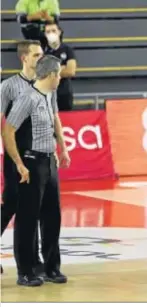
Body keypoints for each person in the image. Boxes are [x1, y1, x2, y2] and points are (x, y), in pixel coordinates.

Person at [2, 55, 71, 286]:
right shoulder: (27, 98)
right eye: (59, 74)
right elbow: (8, 131)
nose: (60, 78)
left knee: (53, 216)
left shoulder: (49, 95)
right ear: (51, 75)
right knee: (27, 217)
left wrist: (62, 149)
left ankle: (51, 267)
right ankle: (25, 271)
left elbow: (55, 119)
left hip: (49, 162)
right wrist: (19, 164)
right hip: (31, 163)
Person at [0, 40, 44, 276]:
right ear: (24, 58)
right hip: (15, 153)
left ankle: (34, 260)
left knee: (34, 206)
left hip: (38, 154)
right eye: (36, 55)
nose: (41, 59)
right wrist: (14, 158)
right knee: (12, 203)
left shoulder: (43, 84)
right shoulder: (8, 86)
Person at [44, 22, 77, 111]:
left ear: (59, 32)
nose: (51, 33)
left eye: (54, 31)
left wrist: (52, 71)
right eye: (48, 32)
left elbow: (71, 71)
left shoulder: (67, 50)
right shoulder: (42, 52)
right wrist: (61, 68)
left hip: (65, 93)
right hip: (48, 94)